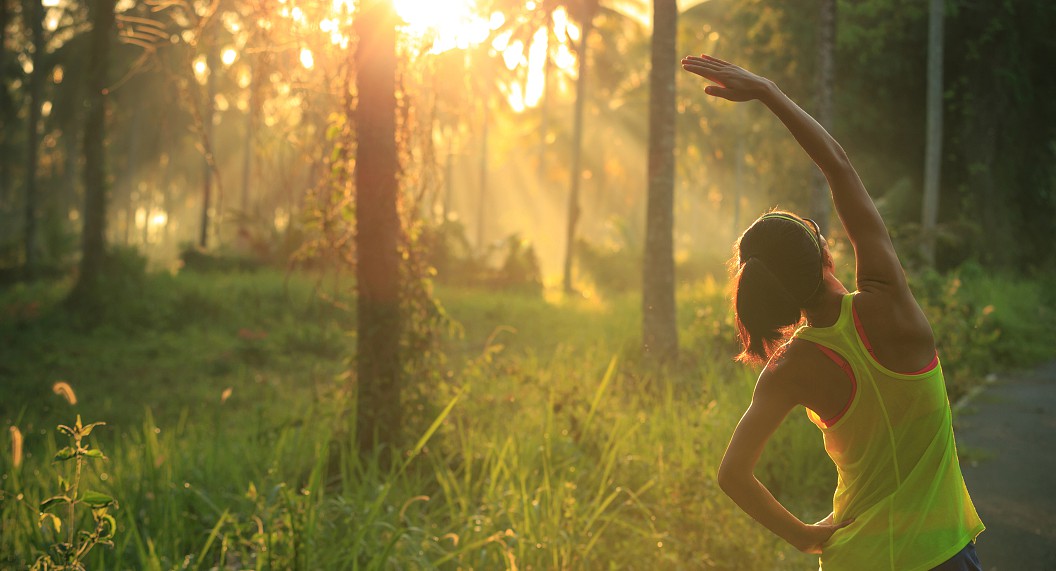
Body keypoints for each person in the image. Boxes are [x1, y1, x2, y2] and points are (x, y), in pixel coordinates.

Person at [680, 54, 985, 570]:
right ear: (825, 250)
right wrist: (770, 92)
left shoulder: (788, 368)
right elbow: (837, 166)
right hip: (944, 554)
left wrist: (804, 536)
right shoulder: (889, 302)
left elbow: (733, 474)